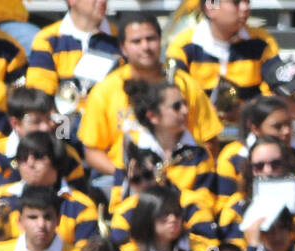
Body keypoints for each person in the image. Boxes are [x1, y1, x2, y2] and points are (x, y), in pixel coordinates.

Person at [79, 10, 220, 181]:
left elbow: (209, 140)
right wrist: (126, 175)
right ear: (123, 47)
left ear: (161, 41)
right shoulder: (105, 90)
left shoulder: (184, 84)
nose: (145, 46)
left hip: (184, 182)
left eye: (151, 39)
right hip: (129, 184)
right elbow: (92, 151)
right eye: (136, 41)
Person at [109, 79, 220, 215]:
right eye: (176, 107)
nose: (185, 111)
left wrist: (165, 189)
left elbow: (206, 204)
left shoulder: (199, 154)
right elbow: (116, 208)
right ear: (153, 116)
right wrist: (138, 190)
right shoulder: (132, 149)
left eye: (185, 104)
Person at [166, 0, 278, 105]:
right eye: (236, 2)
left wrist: (245, 112)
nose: (245, 7)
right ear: (211, 7)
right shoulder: (183, 47)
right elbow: (175, 96)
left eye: (247, 1)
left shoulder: (262, 42)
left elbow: (273, 93)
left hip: (250, 122)